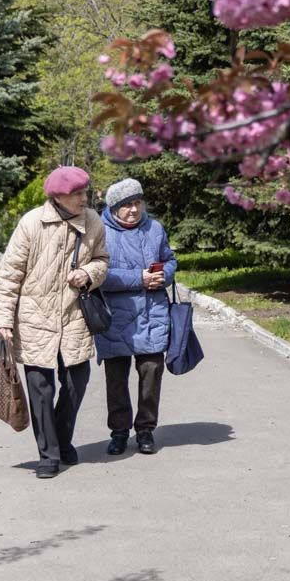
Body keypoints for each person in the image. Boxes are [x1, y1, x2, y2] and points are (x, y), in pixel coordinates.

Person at [0, 166, 109, 479]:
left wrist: (89, 274)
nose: (85, 198)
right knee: (41, 389)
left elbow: (102, 261)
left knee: (77, 380)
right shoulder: (32, 223)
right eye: (79, 194)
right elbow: (9, 274)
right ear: (59, 196)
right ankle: (48, 454)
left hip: (74, 316)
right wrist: (3, 319)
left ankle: (61, 437)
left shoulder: (93, 222)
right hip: (35, 319)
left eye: (86, 191)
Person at [97, 178, 177, 456]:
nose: (133, 209)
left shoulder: (155, 228)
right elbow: (97, 275)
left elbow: (170, 260)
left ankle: (145, 430)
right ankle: (119, 432)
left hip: (152, 314)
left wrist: (163, 276)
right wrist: (139, 279)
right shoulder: (99, 232)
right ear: (114, 207)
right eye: (126, 205)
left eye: (137, 203)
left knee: (151, 376)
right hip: (115, 318)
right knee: (116, 380)